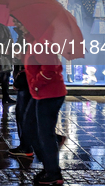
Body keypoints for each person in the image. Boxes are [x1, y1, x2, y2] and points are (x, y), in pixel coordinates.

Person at [13, 15, 67, 186]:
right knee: (30, 129)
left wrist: (35, 85)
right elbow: (36, 63)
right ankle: (49, 167)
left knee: (44, 134)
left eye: (21, 24)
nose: (18, 27)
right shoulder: (34, 42)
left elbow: (52, 69)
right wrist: (21, 57)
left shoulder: (42, 43)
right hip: (40, 94)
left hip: (48, 95)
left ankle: (53, 173)